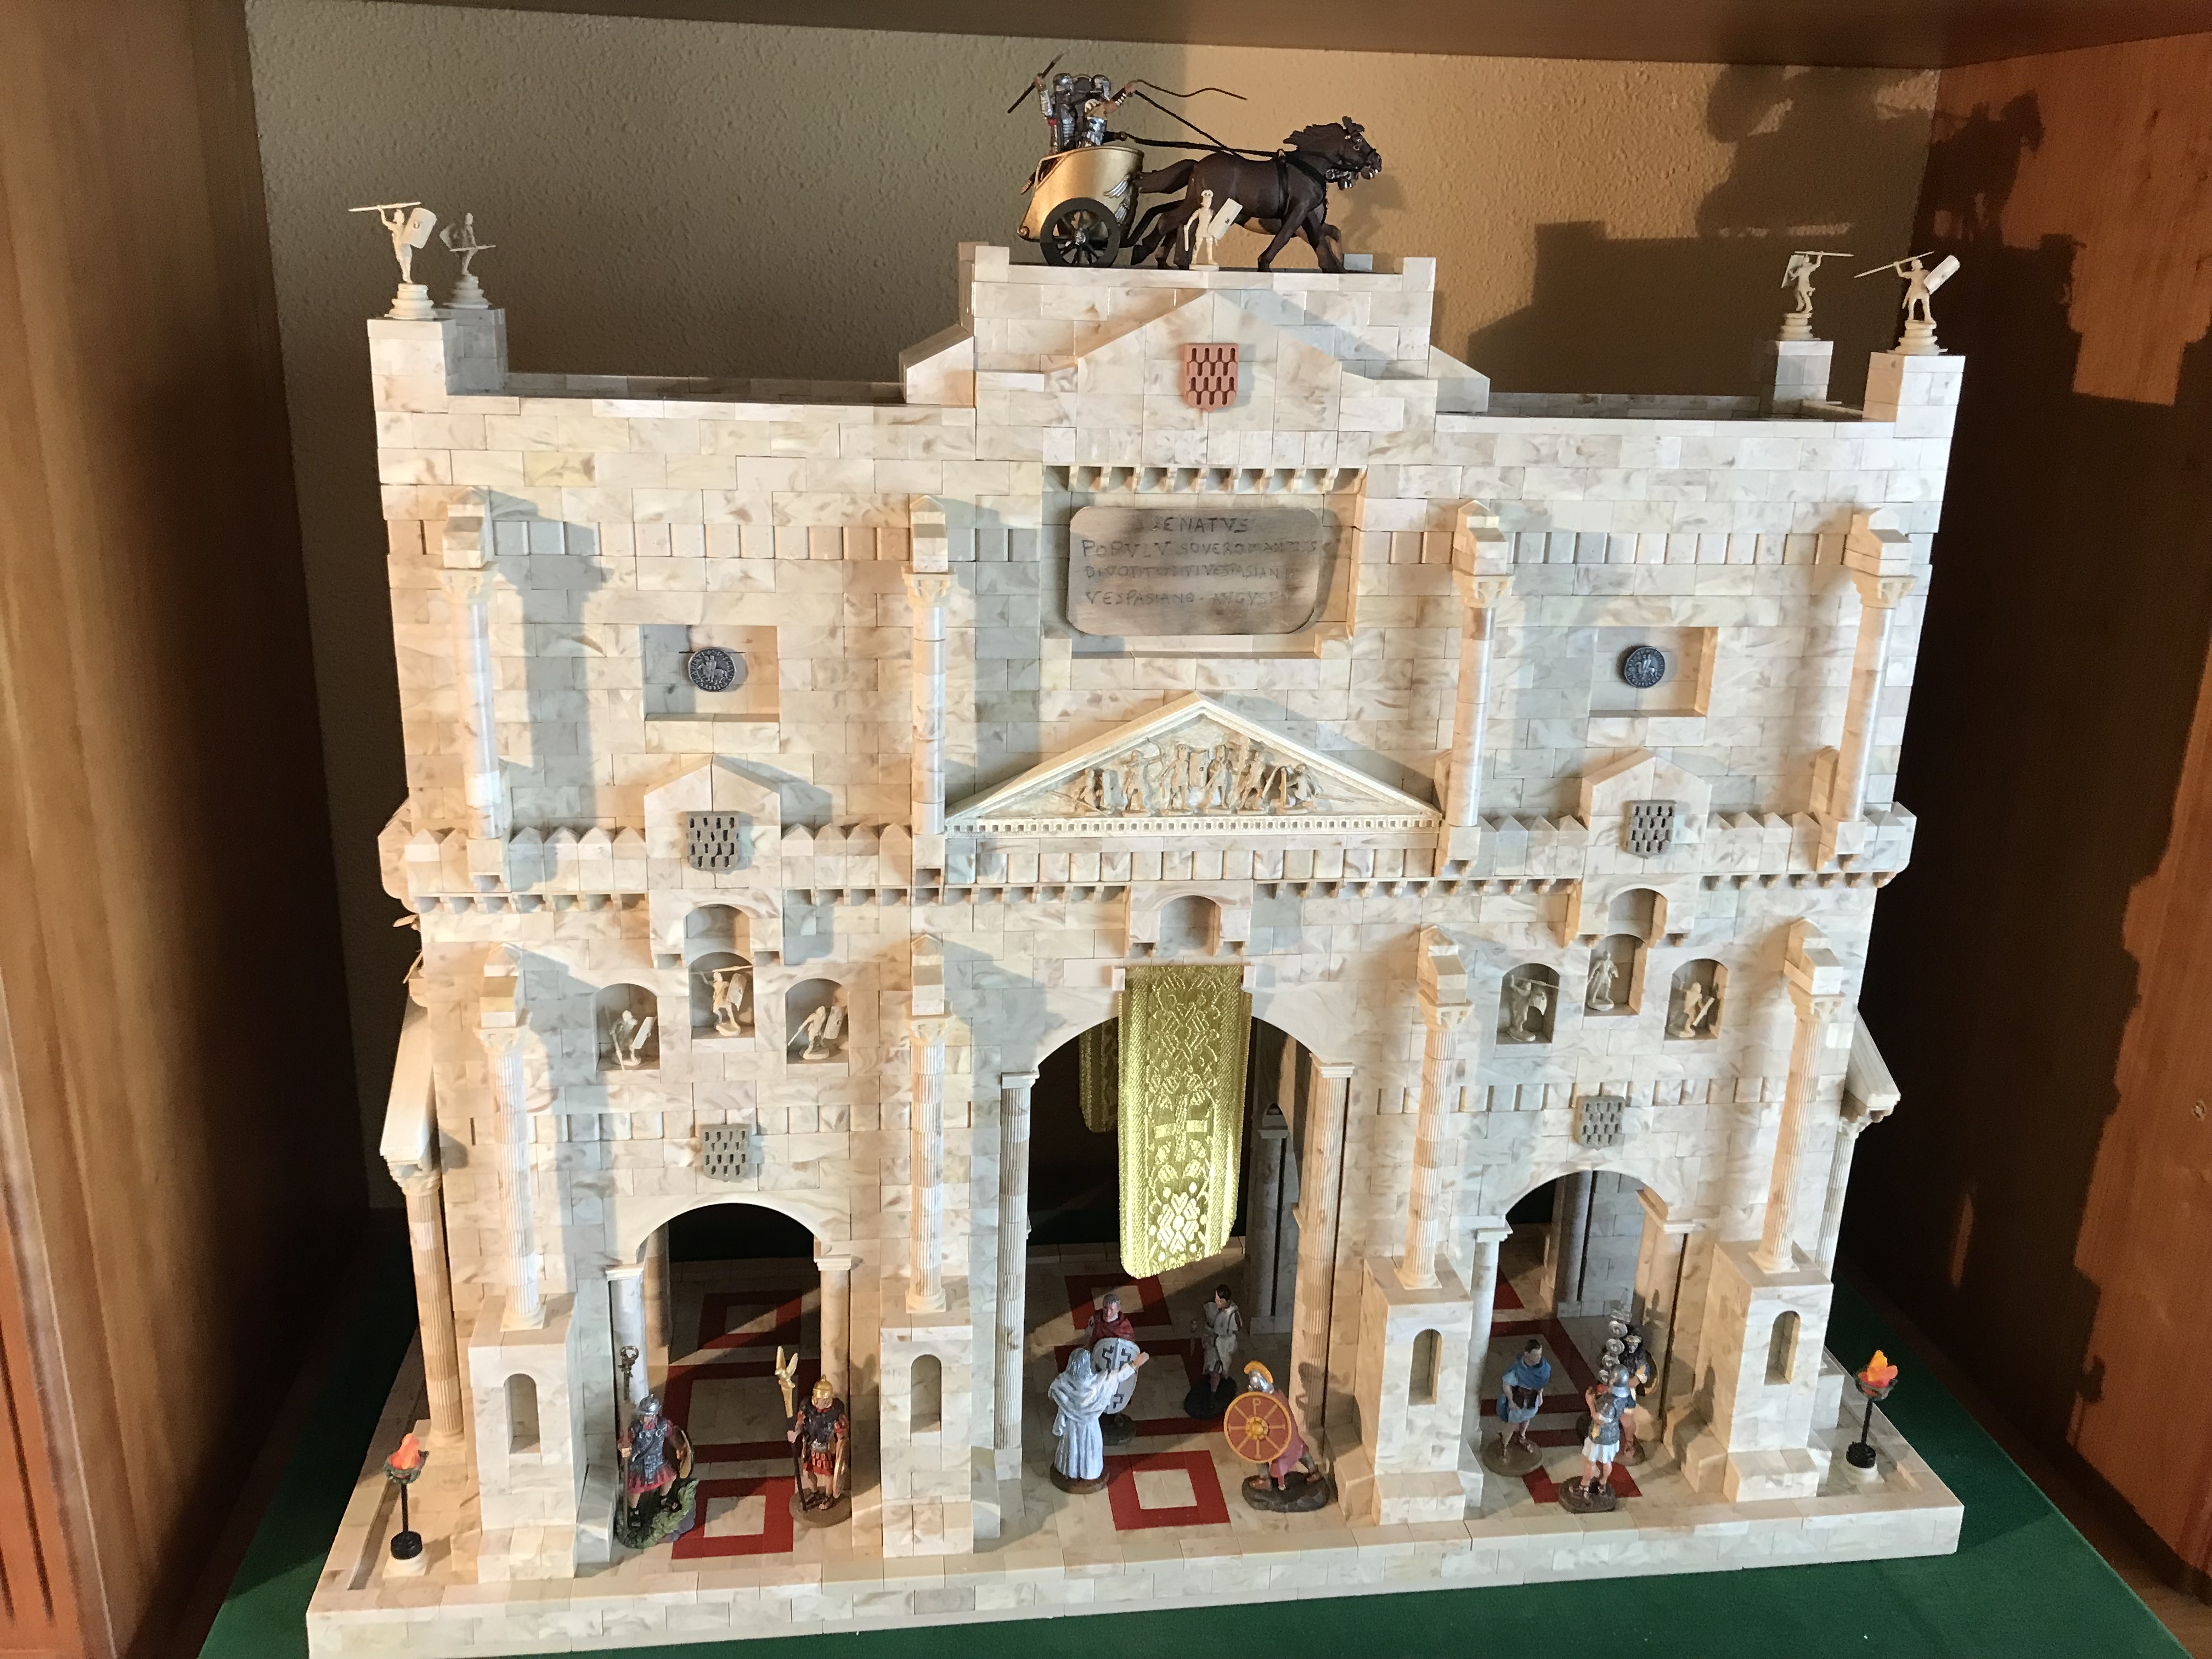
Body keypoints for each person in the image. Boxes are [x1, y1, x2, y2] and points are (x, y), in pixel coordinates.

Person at [1048, 1345, 1147, 1489]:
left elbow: (1054, 1392)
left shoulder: (1062, 1383)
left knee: (1072, 1448)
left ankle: (1069, 1471)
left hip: (1072, 1426)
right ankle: (1090, 1472)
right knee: (1090, 1450)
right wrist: (1134, 1364)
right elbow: (1117, 1376)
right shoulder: (1098, 1384)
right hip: (1090, 1427)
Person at [615, 1392, 698, 1548]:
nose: (645, 1419)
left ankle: (663, 1499)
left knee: (670, 1476)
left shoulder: (663, 1425)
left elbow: (673, 1436)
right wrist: (624, 1448)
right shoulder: (636, 1428)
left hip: (657, 1461)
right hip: (640, 1464)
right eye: (643, 1415)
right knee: (636, 1489)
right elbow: (624, 1442)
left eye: (648, 1416)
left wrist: (679, 1448)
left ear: (654, 1415)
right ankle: (634, 1511)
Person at [1241, 1361, 1317, 1496]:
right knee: (1299, 1449)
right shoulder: (1277, 1395)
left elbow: (1268, 1419)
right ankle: (1314, 1471)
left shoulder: (1271, 1401)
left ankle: (1265, 1480)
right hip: (1289, 1434)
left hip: (1280, 1438)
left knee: (1259, 1451)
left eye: (1254, 1384)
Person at [785, 1376, 849, 1510]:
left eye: (824, 1400)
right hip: (810, 1444)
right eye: (820, 1399)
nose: (821, 1402)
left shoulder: (835, 1413)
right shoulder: (807, 1407)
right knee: (808, 1472)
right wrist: (795, 1433)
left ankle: (829, 1497)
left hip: (826, 1448)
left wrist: (839, 1455)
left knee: (829, 1474)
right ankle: (815, 1493)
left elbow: (841, 1435)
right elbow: (801, 1424)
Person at [1189, 1285, 1241, 1415]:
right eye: (1217, 1299)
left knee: (1217, 1369)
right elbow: (1203, 1314)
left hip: (1223, 1345)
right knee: (1211, 1366)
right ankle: (1213, 1388)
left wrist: (1221, 1339)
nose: (1217, 1302)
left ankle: (1214, 1393)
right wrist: (1196, 1324)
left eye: (1220, 1301)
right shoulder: (1211, 1307)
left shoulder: (1232, 1314)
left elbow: (1235, 1330)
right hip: (1211, 1342)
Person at [1575, 1367, 1624, 1504]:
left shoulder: (1609, 1402)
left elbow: (1599, 1420)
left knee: (1589, 1461)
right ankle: (1602, 1484)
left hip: (1600, 1436)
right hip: (1613, 1434)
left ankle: (1584, 1488)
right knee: (1606, 1461)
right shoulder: (1621, 1397)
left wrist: (1591, 1403)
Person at [1496, 1339, 1551, 1457]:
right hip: (1519, 1400)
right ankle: (1504, 1446)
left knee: (1527, 1419)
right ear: (1527, 1354)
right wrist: (1511, 1401)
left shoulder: (1543, 1367)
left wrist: (1540, 1395)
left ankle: (1521, 1437)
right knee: (1512, 1424)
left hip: (1532, 1400)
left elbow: (1541, 1383)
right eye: (1535, 1355)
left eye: (1540, 1354)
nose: (1538, 1358)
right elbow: (1506, 1385)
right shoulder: (1518, 1370)